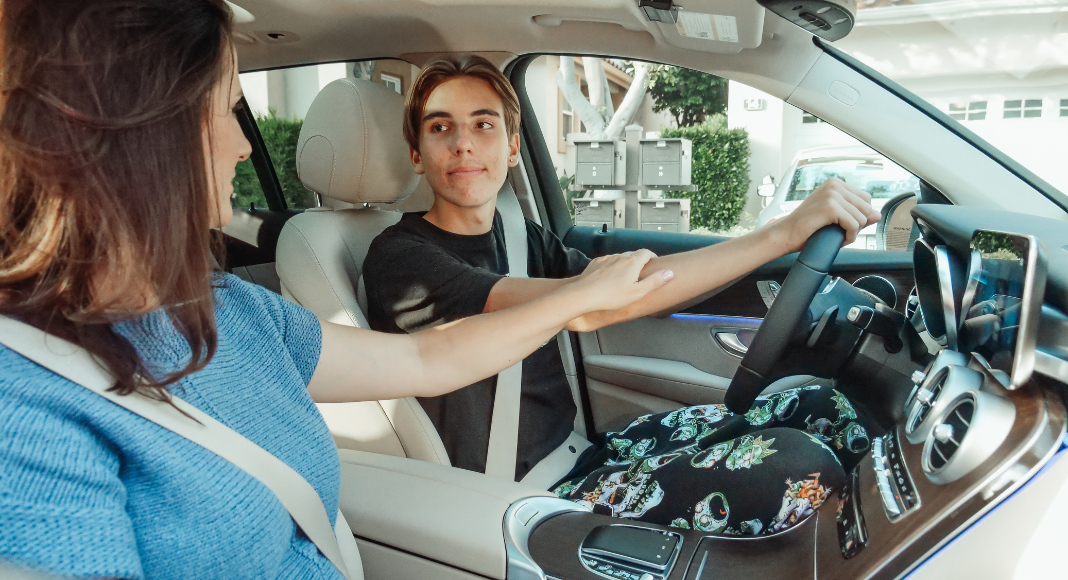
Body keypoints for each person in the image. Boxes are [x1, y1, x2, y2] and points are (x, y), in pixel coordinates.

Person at [0, 2, 671, 578]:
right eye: (223, 111)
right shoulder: (24, 404)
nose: (242, 144)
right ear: (141, 133)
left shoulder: (227, 305)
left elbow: (425, 359)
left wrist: (577, 295)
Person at [363, 55, 882, 534]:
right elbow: (589, 305)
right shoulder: (401, 259)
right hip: (525, 495)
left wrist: (777, 241)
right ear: (416, 154)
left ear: (513, 145)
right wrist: (782, 234)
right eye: (439, 128)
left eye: (483, 124)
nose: (463, 143)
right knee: (797, 467)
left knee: (825, 405)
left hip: (582, 453)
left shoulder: (520, 234)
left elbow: (640, 287)